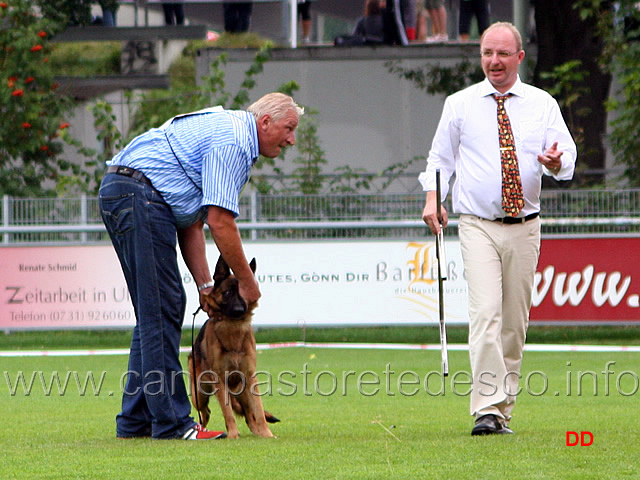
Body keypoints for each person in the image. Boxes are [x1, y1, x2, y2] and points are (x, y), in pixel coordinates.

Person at [99, 93, 303, 440]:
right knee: (163, 306)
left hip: (125, 189)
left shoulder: (229, 133)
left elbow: (192, 223)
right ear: (265, 122)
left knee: (157, 309)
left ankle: (135, 422)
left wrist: (205, 285)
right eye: (289, 128)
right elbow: (220, 222)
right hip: (139, 194)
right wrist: (247, 281)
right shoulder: (235, 142)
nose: (292, 139)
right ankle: (173, 424)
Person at [419, 22, 576, 436]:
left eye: (503, 54)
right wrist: (433, 199)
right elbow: (439, 161)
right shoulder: (460, 104)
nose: (494, 61)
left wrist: (556, 162)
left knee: (512, 323)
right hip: (477, 225)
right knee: (485, 313)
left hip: (526, 225)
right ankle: (486, 409)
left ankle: (502, 409)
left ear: (519, 58)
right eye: (488, 53)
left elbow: (567, 158)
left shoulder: (542, 104)